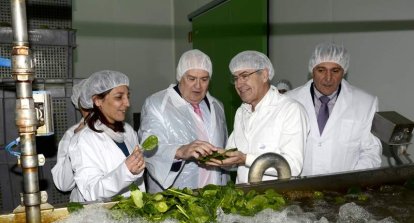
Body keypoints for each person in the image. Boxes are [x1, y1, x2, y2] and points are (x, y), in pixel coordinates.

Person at [207, 50, 309, 183]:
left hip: (275, 199)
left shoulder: (290, 110)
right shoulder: (242, 112)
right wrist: (213, 156)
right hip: (243, 198)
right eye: (236, 78)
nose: (239, 84)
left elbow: (293, 166)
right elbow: (233, 157)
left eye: (245, 76)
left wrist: (245, 159)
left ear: (265, 75)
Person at [138, 49, 228, 193]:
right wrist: (180, 151)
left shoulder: (217, 106)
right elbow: (148, 149)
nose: (198, 86)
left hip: (214, 193)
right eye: (191, 79)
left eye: (204, 79)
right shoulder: (157, 104)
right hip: (175, 196)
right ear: (180, 77)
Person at [286, 42, 382, 176]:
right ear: (312, 71)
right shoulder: (289, 100)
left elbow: (371, 152)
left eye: (335, 71)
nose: (328, 78)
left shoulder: (366, 103)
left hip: (343, 191)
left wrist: (350, 184)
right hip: (298, 187)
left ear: (344, 71)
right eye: (321, 70)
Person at [68, 70, 145, 202]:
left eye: (128, 96)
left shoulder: (127, 131)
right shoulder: (84, 139)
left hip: (130, 213)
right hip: (100, 217)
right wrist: (125, 171)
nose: (127, 103)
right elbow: (90, 191)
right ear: (98, 101)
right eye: (119, 97)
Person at [51, 78, 90, 193]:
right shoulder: (71, 134)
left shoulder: (124, 131)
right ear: (80, 106)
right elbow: (63, 184)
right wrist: (76, 141)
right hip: (87, 207)